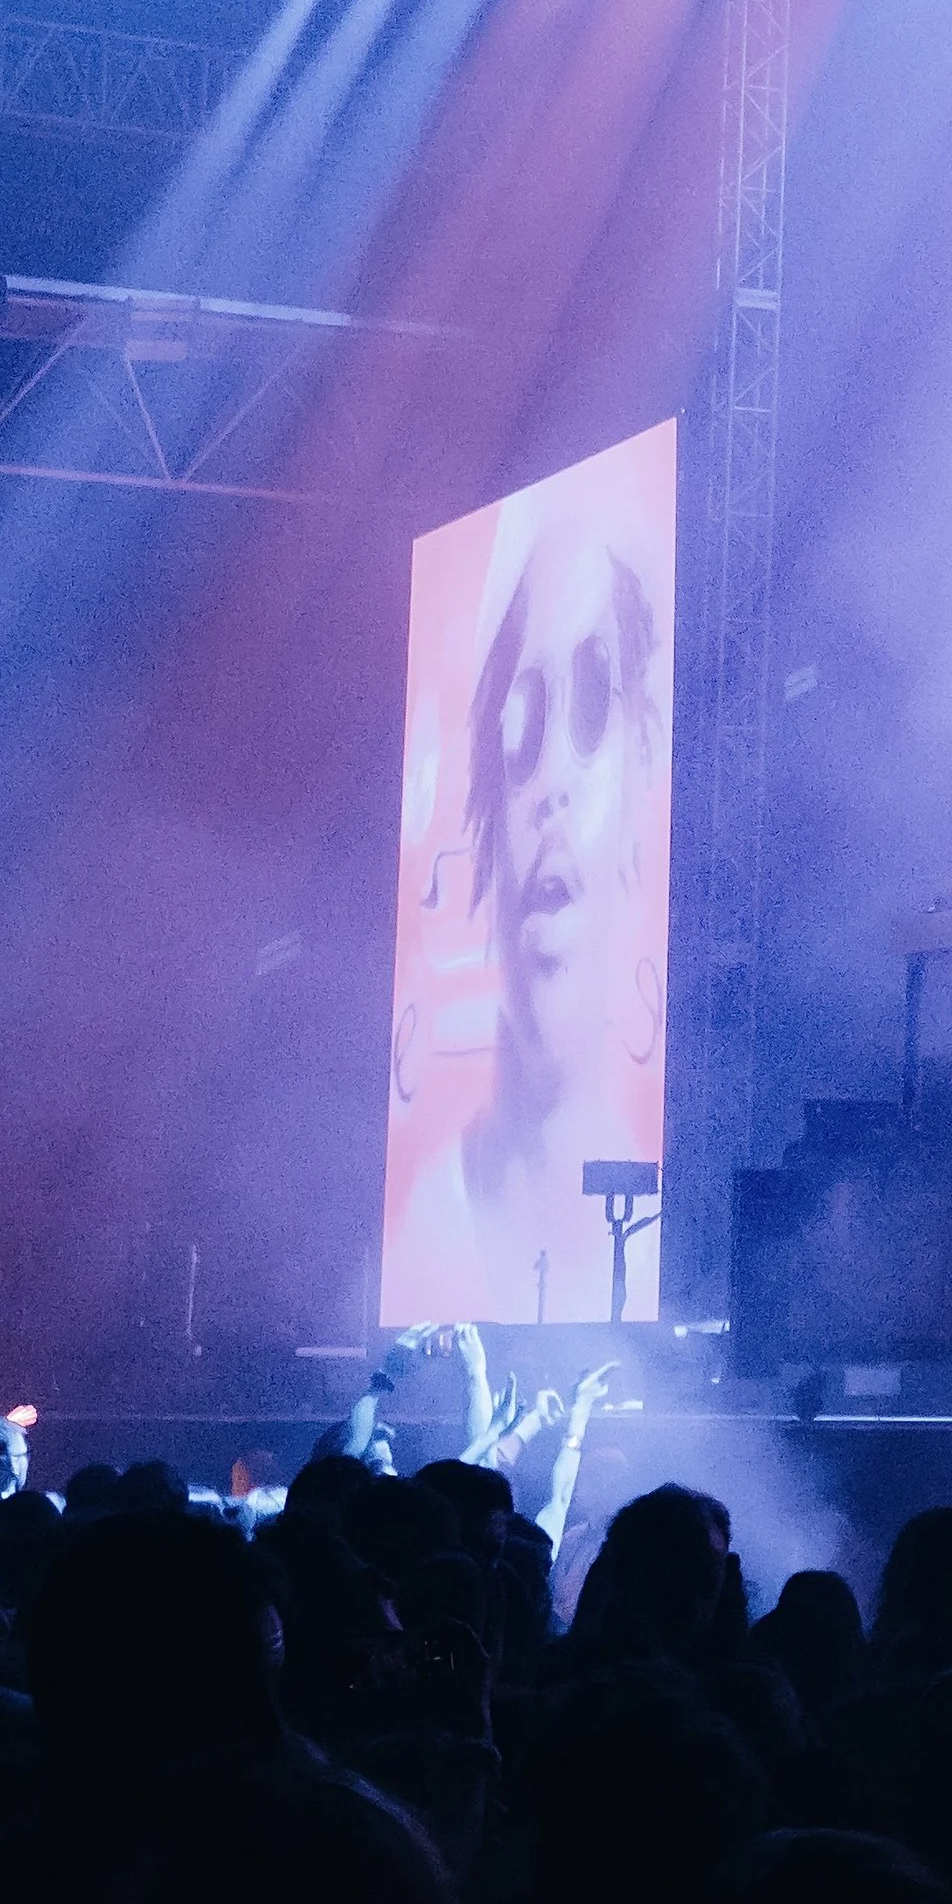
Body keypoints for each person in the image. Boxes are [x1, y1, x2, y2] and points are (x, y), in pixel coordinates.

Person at [385, 448, 673, 1323]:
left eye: (590, 709)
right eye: (521, 727)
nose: (550, 782)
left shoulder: (661, 1231)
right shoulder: (421, 1235)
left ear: (642, 769)